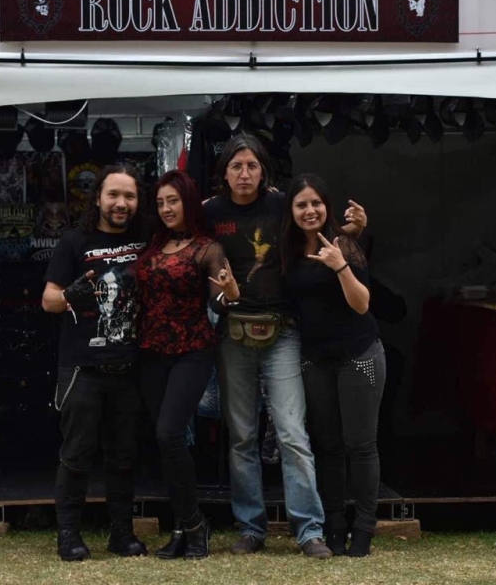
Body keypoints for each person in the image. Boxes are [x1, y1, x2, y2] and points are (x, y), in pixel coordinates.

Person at [203, 133, 366, 558]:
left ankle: (309, 529)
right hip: (233, 328)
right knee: (241, 436)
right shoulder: (210, 212)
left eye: (252, 166)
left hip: (283, 330)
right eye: (236, 166)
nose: (244, 173)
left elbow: (320, 226)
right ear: (224, 172)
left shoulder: (281, 204)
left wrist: (355, 229)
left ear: (264, 171)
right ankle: (250, 527)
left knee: (293, 432)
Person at [41, 165, 148, 562]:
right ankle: (68, 535)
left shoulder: (146, 238)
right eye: (114, 195)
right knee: (77, 454)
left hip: (129, 365)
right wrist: (74, 294)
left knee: (123, 456)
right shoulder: (75, 241)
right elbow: (49, 300)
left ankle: (122, 534)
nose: (121, 203)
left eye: (130, 196)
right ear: (99, 198)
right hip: (82, 366)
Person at [134, 170, 239, 559]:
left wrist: (229, 294)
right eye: (160, 203)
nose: (165, 209)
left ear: (188, 202)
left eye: (172, 201)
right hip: (150, 352)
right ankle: (182, 527)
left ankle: (196, 524)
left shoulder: (207, 248)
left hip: (191, 350)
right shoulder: (155, 243)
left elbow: (218, 301)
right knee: (165, 444)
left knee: (169, 435)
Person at [281, 173, 385, 557]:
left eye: (316, 204)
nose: (309, 211)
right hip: (314, 359)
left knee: (361, 444)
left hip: (359, 354)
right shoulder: (288, 251)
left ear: (327, 206)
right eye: (301, 204)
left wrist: (340, 265)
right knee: (327, 445)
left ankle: (364, 529)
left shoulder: (344, 245)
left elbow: (362, 304)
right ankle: (334, 526)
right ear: (290, 212)